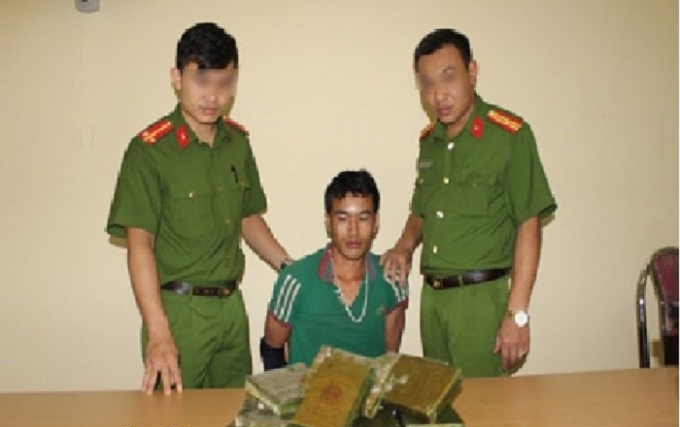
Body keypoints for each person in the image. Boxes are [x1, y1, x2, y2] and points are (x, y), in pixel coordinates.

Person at [106, 22, 293, 393]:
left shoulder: (237, 142)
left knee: (233, 412)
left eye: (224, 83)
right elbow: (139, 244)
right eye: (202, 81)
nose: (213, 96)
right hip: (179, 312)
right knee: (173, 416)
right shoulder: (149, 151)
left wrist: (291, 271)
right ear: (177, 78)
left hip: (230, 309)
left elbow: (248, 217)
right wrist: (158, 331)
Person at [381, 28, 557, 377]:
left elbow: (529, 223)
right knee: (439, 404)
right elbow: (421, 210)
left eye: (448, 77)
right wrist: (404, 246)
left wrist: (517, 315)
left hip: (480, 301)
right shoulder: (429, 142)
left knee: (485, 406)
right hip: (433, 300)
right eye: (427, 84)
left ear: (472, 72)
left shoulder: (509, 136)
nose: (438, 95)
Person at [260, 170, 408, 370]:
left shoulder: (391, 279)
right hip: (306, 389)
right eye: (343, 218)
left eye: (363, 218)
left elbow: (389, 360)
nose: (353, 230)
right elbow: (272, 351)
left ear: (376, 223)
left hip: (367, 389)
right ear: (328, 223)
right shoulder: (295, 280)